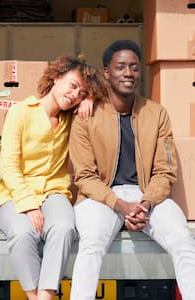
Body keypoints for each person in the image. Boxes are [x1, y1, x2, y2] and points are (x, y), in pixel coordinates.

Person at [69, 40, 195, 300]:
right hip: (101, 197)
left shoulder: (157, 113)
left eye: (134, 67)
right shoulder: (86, 115)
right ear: (107, 72)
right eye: (121, 67)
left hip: (148, 195)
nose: (128, 73)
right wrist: (120, 205)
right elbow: (84, 177)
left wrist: (145, 203)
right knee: (91, 245)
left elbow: (165, 171)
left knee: (184, 243)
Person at [0, 54, 107, 300]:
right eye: (73, 86)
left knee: (64, 228)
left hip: (54, 192)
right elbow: (9, 167)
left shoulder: (71, 118)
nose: (75, 95)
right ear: (55, 78)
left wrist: (91, 98)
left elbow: (110, 95)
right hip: (15, 193)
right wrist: (29, 205)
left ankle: (45, 296)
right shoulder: (20, 112)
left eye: (81, 92)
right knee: (23, 233)